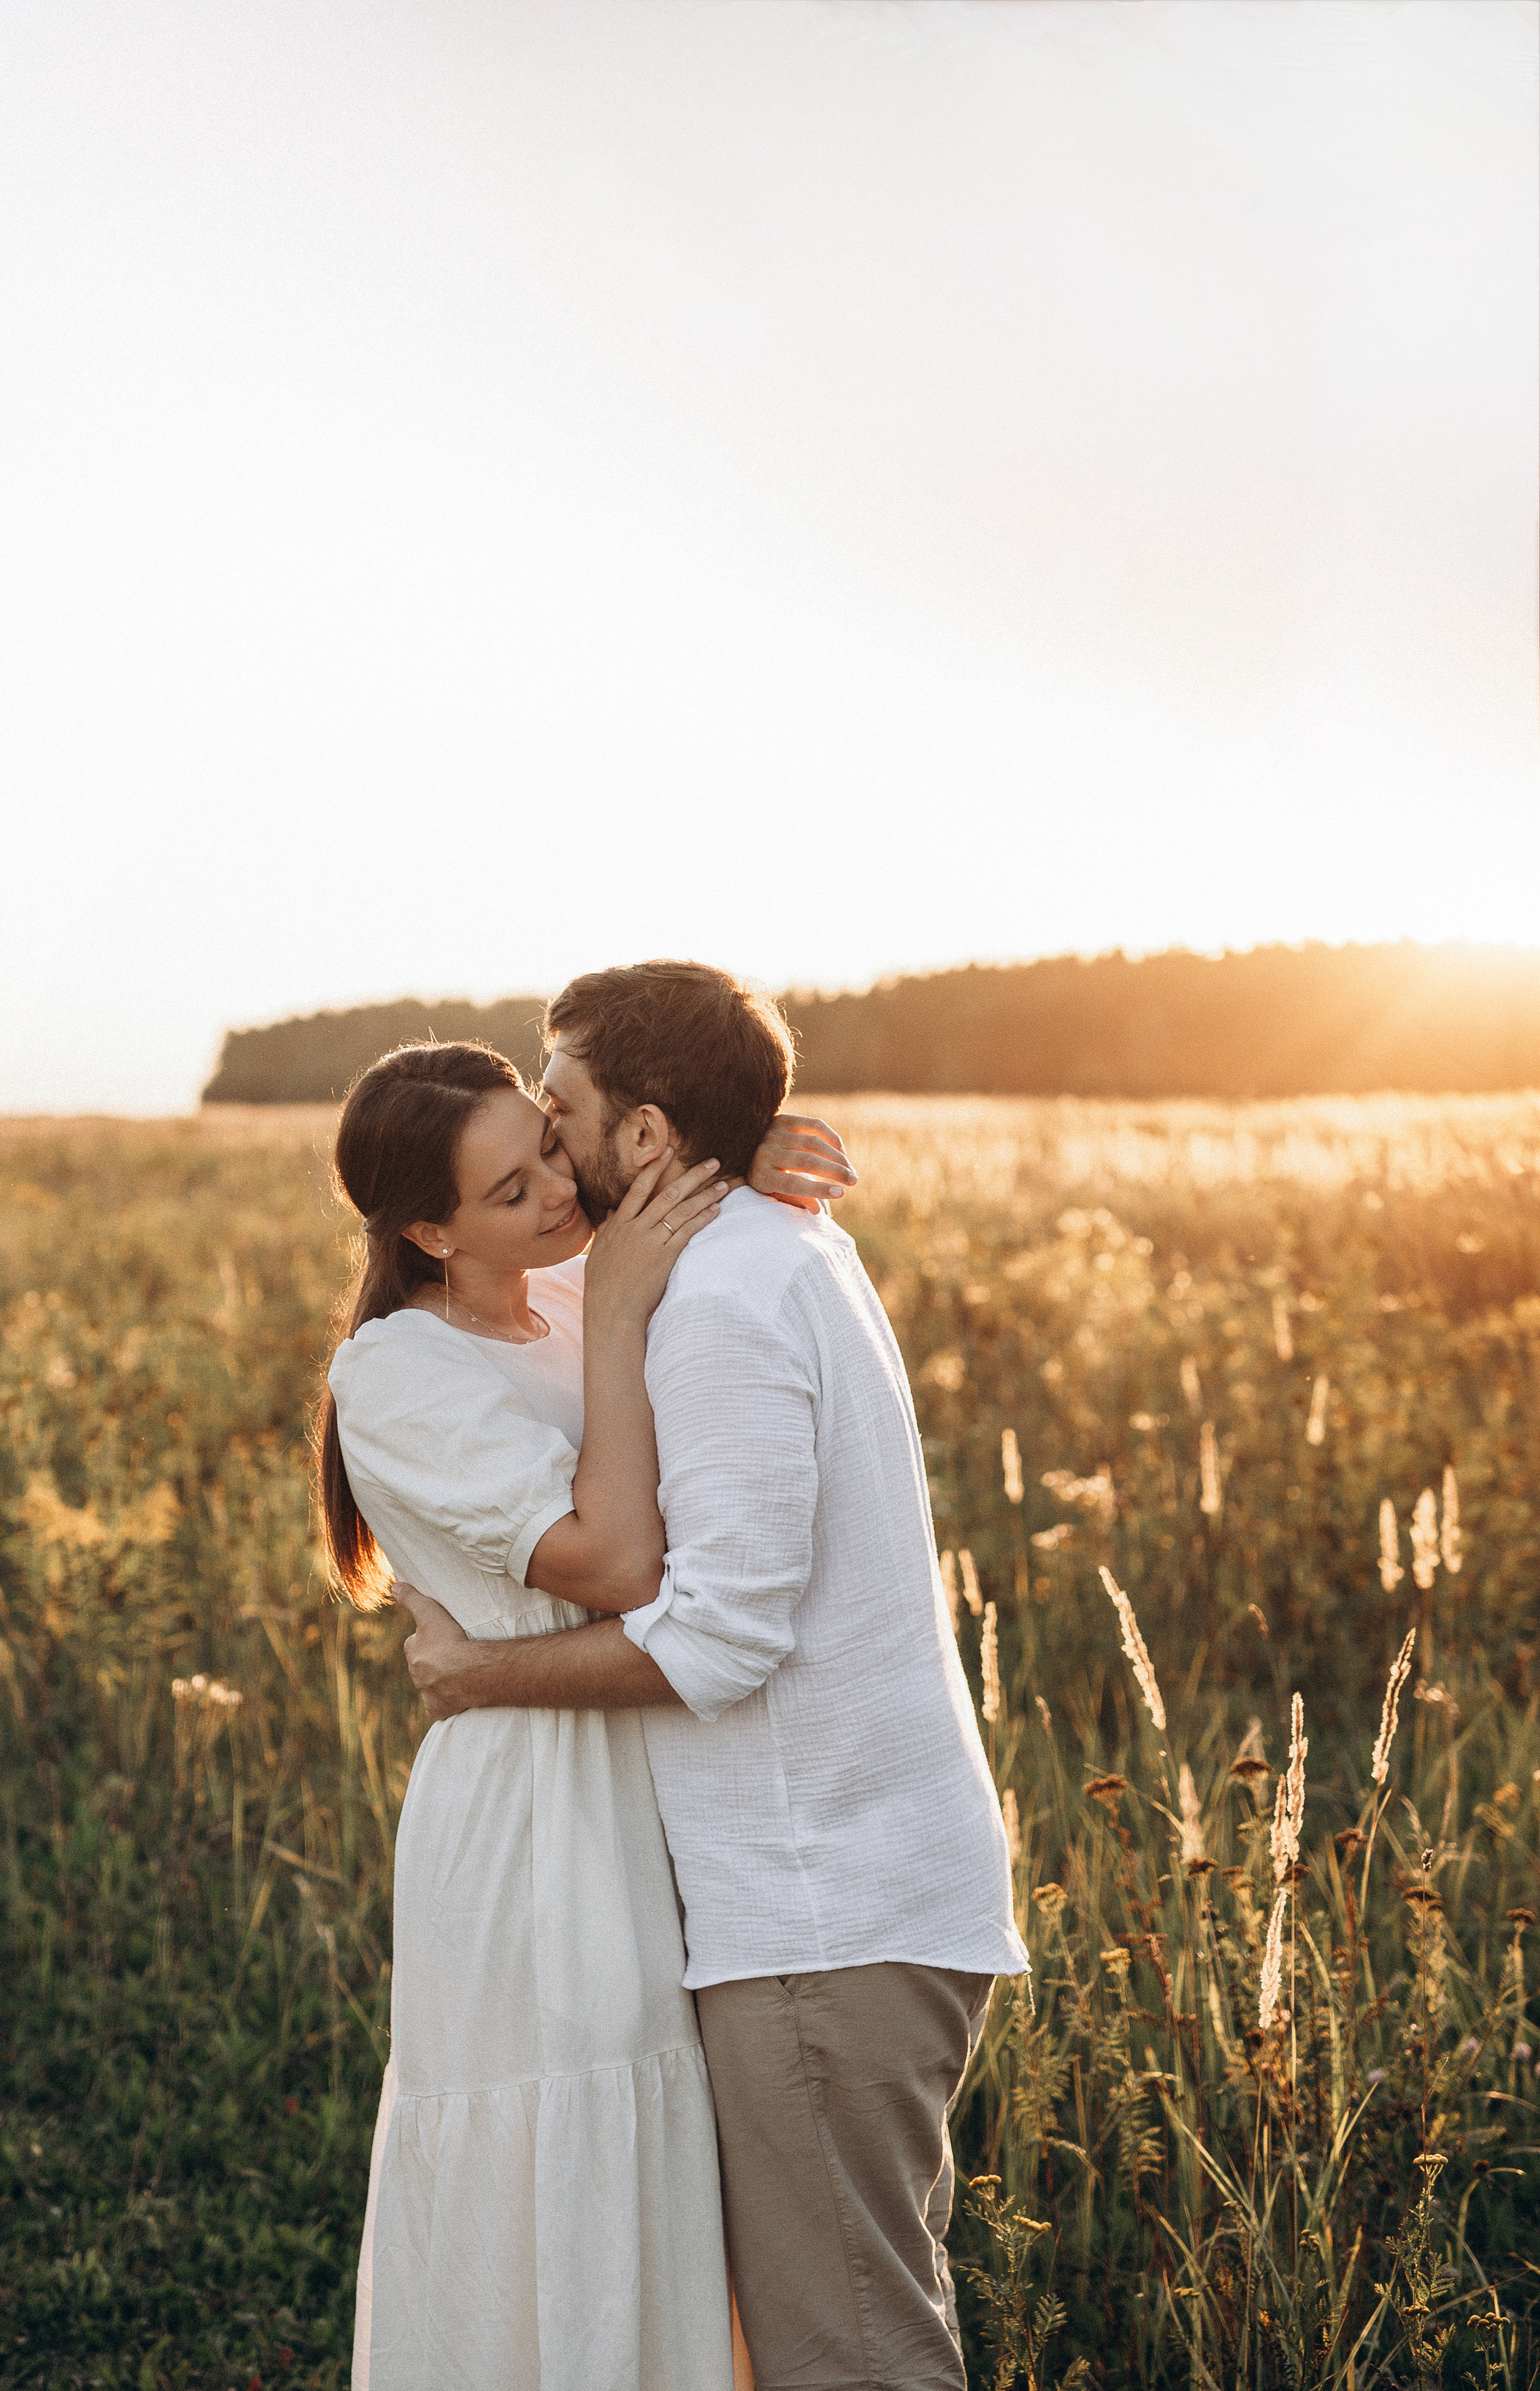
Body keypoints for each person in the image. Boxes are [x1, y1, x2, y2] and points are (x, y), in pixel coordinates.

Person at [397, 961, 1031, 2391]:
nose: (542, 1133)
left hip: (821, 1915)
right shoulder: (771, 1242)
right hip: (853, 1898)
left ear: (644, 1135)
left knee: (847, 2355)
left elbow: (721, 1638)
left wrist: (483, 1673)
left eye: (560, 1107)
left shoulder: (721, 1303)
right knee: (848, 2320)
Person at [317, 1037, 852, 2390]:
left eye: (550, 1148)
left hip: (651, 1772)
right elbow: (615, 1564)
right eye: (510, 1192)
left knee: (662, 2156)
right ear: (429, 1233)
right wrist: (614, 1316)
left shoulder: (558, 1295)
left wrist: (736, 1154)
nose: (559, 1192)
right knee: (560, 2139)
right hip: (531, 1819)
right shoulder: (397, 1373)